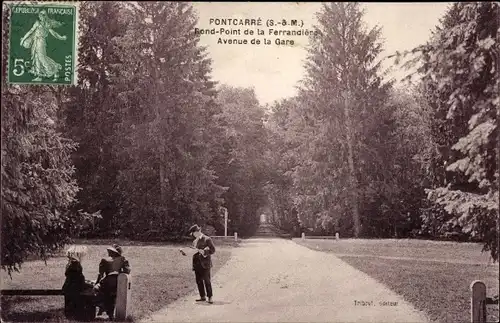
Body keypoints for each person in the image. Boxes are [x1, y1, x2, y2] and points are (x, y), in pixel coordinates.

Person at [20, 10, 66, 82]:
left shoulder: (47, 24)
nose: (41, 17)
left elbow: (54, 33)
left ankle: (54, 69)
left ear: (45, 16)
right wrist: (23, 40)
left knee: (42, 58)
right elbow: (30, 31)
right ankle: (39, 76)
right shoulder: (37, 23)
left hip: (41, 42)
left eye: (43, 15)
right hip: (36, 41)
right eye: (40, 15)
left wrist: (61, 38)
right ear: (39, 16)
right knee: (36, 58)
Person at [94, 244, 131, 319]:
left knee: (98, 290)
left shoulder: (104, 260)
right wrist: (120, 272)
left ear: (114, 252)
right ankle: (109, 312)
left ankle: (102, 307)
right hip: (118, 282)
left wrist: (97, 282)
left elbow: (100, 274)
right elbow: (127, 271)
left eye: (110, 251)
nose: (108, 252)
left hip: (107, 281)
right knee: (112, 296)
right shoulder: (123, 259)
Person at [188, 224, 216, 304]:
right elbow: (192, 251)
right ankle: (202, 296)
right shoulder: (194, 241)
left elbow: (213, 250)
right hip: (196, 263)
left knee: (207, 280)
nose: (193, 235)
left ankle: (210, 297)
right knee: (198, 280)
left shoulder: (207, 239)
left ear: (198, 231)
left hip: (205, 263)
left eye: (193, 233)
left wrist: (204, 252)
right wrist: (185, 252)